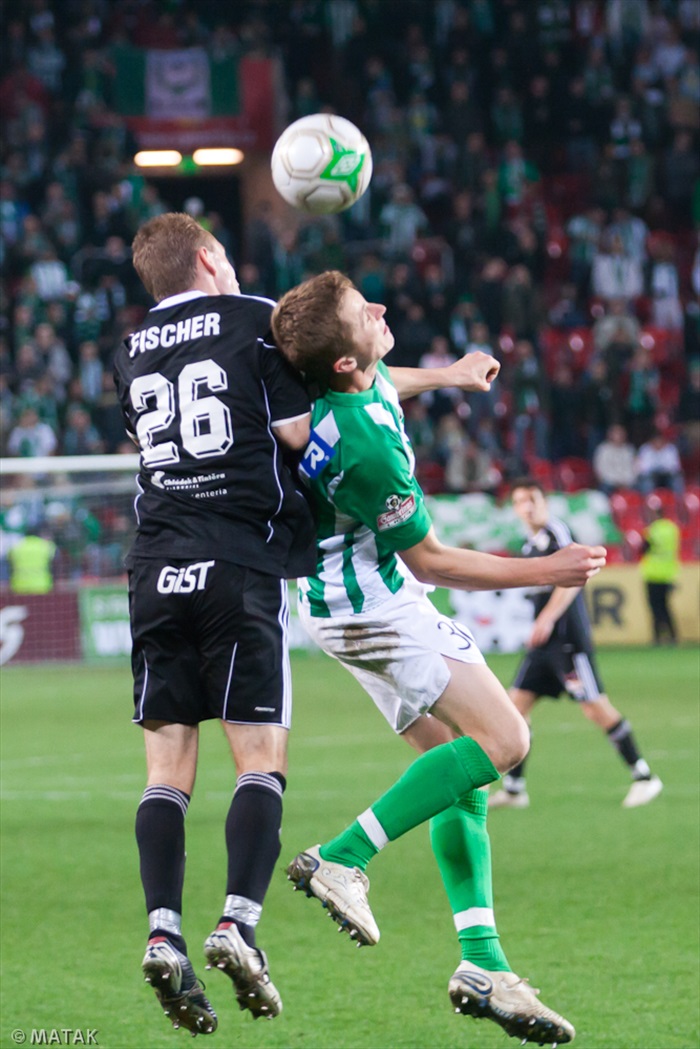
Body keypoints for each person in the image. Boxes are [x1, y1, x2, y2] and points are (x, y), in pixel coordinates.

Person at [271, 271, 608, 1045]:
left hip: (337, 602)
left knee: (464, 774)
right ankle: (343, 856)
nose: (383, 310)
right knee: (506, 741)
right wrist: (546, 571)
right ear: (346, 364)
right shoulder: (363, 447)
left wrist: (450, 374)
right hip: (377, 605)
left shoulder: (350, 388)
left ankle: (482, 964)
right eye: (366, 313)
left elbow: (387, 377)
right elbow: (431, 560)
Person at [113, 213, 316, 1035]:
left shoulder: (127, 349)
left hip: (154, 564)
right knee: (259, 758)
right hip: (237, 561)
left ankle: (163, 927)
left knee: (166, 771)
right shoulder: (251, 319)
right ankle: (237, 922)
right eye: (225, 253)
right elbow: (297, 433)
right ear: (207, 259)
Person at [489, 478, 663, 812]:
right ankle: (514, 789)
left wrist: (548, 618)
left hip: (567, 642)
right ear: (514, 508)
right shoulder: (530, 545)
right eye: (521, 501)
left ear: (545, 502)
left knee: (594, 707)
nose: (528, 506)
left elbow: (575, 578)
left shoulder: (557, 534)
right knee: (514, 708)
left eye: (533, 499)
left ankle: (644, 777)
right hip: (543, 647)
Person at [639, 499, 680, 645]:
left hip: (653, 574)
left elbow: (644, 549)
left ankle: (658, 637)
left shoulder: (652, 529)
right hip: (668, 573)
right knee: (666, 607)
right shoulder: (672, 528)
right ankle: (673, 636)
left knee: (655, 608)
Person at [7, 527, 56, 593]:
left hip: (19, 586)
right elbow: (55, 559)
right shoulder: (46, 545)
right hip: (42, 585)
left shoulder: (16, 546)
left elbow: (9, 560)